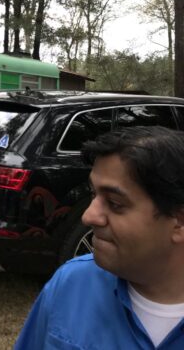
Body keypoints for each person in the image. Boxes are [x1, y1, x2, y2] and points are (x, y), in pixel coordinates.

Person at [15, 127, 184, 349]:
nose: (88, 216)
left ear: (179, 221)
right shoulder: (71, 284)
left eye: (115, 203)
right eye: (93, 194)